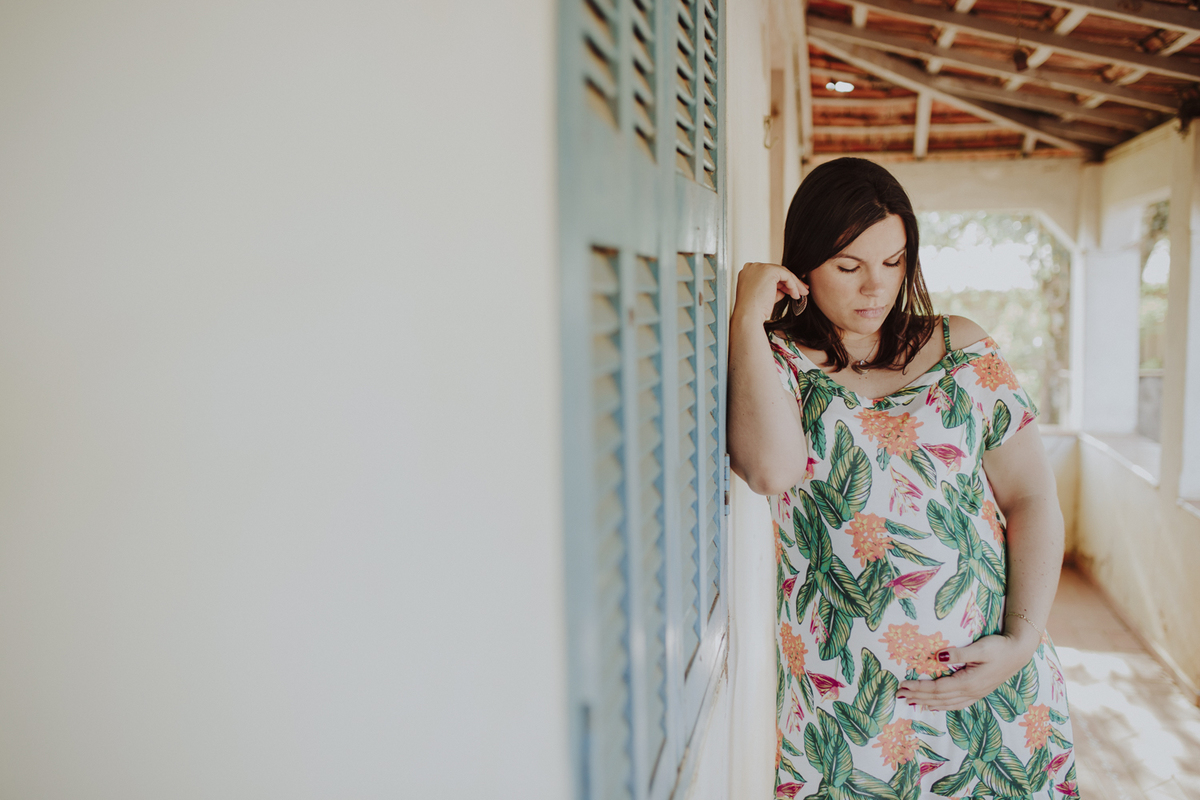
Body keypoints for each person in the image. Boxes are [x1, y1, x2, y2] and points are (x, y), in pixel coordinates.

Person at [728, 158, 1077, 799]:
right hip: (848, 709)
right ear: (802, 264)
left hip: (990, 684)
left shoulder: (963, 348)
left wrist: (1021, 644)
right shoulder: (776, 361)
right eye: (848, 266)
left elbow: (1032, 497)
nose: (876, 289)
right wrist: (748, 313)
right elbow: (770, 470)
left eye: (893, 262)